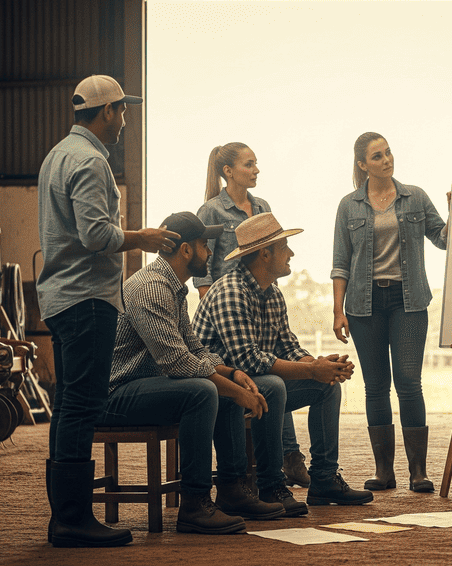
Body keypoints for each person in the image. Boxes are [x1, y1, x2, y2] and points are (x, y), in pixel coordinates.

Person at [36, 74, 179, 548]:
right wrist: (143, 237)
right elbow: (96, 235)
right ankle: (73, 520)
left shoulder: (57, 155)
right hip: (86, 299)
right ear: (107, 112)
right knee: (83, 405)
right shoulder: (91, 161)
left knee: (68, 405)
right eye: (122, 111)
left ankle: (67, 516)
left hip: (61, 297)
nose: (125, 121)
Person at [103, 211, 283, 534]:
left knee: (219, 386)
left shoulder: (173, 288)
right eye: (204, 245)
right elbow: (177, 363)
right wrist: (237, 392)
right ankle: (194, 504)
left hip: (146, 384)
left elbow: (195, 351)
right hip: (118, 393)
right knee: (202, 391)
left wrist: (233, 374)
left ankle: (232, 489)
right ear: (185, 250)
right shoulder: (151, 288)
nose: (210, 252)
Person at [192, 212, 375, 508]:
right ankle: (271, 486)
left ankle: (324, 480)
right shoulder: (230, 291)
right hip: (222, 386)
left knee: (327, 386)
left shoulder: (273, 294)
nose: (291, 254)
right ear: (264, 254)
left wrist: (321, 366)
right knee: (273, 385)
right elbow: (247, 361)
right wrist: (312, 370)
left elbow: (288, 347)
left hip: (256, 382)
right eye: (284, 247)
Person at [331, 132, 447, 493]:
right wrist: (338, 310)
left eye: (388, 152)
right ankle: (384, 472)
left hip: (407, 302)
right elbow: (340, 263)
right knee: (376, 387)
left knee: (409, 383)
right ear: (363, 165)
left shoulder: (416, 197)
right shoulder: (349, 206)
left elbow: (443, 238)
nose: (387, 160)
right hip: (364, 305)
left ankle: (418, 472)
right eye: (377, 156)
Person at [194, 143, 309, 489]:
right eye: (249, 164)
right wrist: (217, 303)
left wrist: (312, 364)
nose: (256, 169)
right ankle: (281, 463)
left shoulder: (262, 207)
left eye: (256, 163)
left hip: (257, 297)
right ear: (228, 171)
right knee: (270, 375)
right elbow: (204, 268)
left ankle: (291, 458)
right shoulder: (211, 210)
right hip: (229, 306)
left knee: (276, 366)